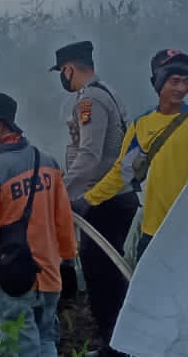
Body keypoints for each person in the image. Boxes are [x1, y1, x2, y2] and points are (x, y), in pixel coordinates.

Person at [0, 91, 78, 357]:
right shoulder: (48, 163)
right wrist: (69, 262)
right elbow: (63, 219)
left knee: (18, 350)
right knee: (47, 341)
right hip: (49, 277)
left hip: (13, 282)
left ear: (0, 127)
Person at [51, 40, 138, 354]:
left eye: (63, 71)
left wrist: (59, 190)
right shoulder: (107, 92)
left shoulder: (89, 101)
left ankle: (115, 348)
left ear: (69, 68)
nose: (63, 77)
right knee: (110, 273)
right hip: (114, 199)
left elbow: (88, 157)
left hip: (104, 202)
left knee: (102, 278)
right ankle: (121, 343)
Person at [124, 48, 188, 260]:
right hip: (151, 230)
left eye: (186, 82)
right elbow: (123, 172)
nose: (181, 88)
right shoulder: (141, 124)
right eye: (174, 80)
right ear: (157, 82)